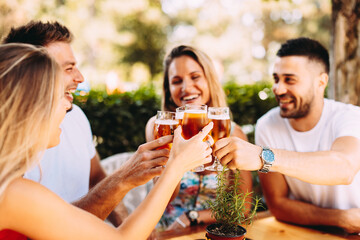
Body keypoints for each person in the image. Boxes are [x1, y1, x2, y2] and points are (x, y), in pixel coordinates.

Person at [0, 43, 215, 239]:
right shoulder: (12, 193)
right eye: (61, 95)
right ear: (30, 109)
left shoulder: (14, 187)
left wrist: (126, 177)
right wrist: (177, 166)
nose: (68, 106)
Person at [2, 20, 173, 226]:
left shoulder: (76, 116)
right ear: (33, 75)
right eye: (68, 68)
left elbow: (97, 177)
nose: (80, 77)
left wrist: (123, 222)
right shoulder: (13, 170)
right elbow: (56, 227)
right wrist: (124, 178)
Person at [213, 37, 360, 233]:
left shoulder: (350, 117)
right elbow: (278, 205)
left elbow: (344, 167)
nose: (278, 89)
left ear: (321, 82)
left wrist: (262, 156)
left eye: (289, 79)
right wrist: (340, 218)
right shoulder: (267, 125)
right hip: (304, 231)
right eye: (276, 79)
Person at [145, 45, 253, 230]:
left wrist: (192, 217)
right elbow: (162, 197)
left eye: (195, 77)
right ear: (169, 89)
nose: (186, 88)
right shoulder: (160, 127)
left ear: (210, 81)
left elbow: (243, 208)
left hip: (215, 231)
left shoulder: (232, 132)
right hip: (166, 233)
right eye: (177, 81)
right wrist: (175, 158)